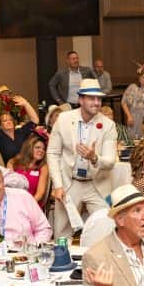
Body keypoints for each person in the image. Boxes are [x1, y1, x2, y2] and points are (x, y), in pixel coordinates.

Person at [47, 79, 117, 239]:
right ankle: (64, 262)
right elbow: (52, 153)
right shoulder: (64, 120)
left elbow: (110, 161)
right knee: (62, 232)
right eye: (92, 98)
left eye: (99, 99)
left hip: (97, 183)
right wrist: (58, 185)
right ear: (81, 100)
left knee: (107, 228)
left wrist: (94, 158)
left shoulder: (108, 125)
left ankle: (105, 262)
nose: (97, 102)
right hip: (69, 182)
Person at [0, 94, 38, 163]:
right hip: (12, 170)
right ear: (0, 126)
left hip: (29, 165)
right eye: (5, 121)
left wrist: (26, 104)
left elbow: (35, 121)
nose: (8, 121)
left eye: (10, 119)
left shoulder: (20, 132)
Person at [8, 132, 49, 207]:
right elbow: (9, 187)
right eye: (37, 147)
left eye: (43, 149)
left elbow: (40, 193)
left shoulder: (43, 167)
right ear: (29, 148)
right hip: (13, 202)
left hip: (32, 203)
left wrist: (27, 205)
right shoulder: (13, 162)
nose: (41, 151)